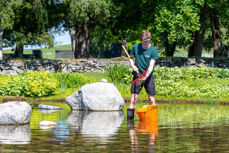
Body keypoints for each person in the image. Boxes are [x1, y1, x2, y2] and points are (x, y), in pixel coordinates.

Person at [127, 30, 159, 120]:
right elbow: (131, 58)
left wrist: (145, 77)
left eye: (147, 41)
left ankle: (153, 120)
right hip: (137, 77)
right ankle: (130, 123)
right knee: (133, 99)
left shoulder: (153, 50)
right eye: (144, 41)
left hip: (148, 77)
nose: (145, 43)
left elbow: (151, 66)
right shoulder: (135, 47)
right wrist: (133, 65)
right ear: (141, 40)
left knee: (151, 99)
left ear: (150, 39)